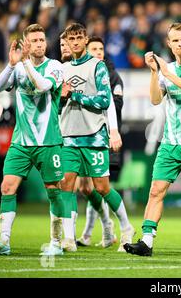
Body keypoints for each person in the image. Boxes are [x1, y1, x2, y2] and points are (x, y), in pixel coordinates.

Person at [124, 22, 181, 257]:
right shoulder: (167, 69)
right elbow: (156, 99)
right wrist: (155, 73)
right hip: (170, 142)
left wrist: (166, 72)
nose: (180, 43)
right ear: (169, 43)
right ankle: (146, 242)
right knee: (156, 190)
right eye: (175, 40)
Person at [0, 23, 66, 256]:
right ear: (25, 43)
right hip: (21, 142)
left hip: (48, 141)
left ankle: (56, 243)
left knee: (53, 190)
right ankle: (4, 241)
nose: (39, 44)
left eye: (41, 40)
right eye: (33, 41)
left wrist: (26, 61)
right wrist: (11, 64)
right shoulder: (18, 68)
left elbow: (42, 87)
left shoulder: (56, 67)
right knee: (7, 186)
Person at [59, 23, 134, 253]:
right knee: (67, 185)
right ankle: (69, 238)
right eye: (71, 38)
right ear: (67, 42)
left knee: (102, 188)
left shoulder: (98, 67)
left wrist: (76, 96)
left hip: (93, 136)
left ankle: (127, 228)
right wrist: (61, 98)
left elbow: (104, 100)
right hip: (69, 136)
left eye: (79, 37)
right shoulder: (62, 69)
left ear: (85, 40)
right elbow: (59, 103)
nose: (75, 42)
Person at [75, 35, 127, 251]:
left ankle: (106, 231)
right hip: (84, 135)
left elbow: (115, 104)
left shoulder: (112, 77)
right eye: (94, 48)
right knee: (88, 187)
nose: (98, 52)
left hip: (105, 137)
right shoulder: (83, 71)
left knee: (98, 186)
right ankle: (95, 232)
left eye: (100, 49)